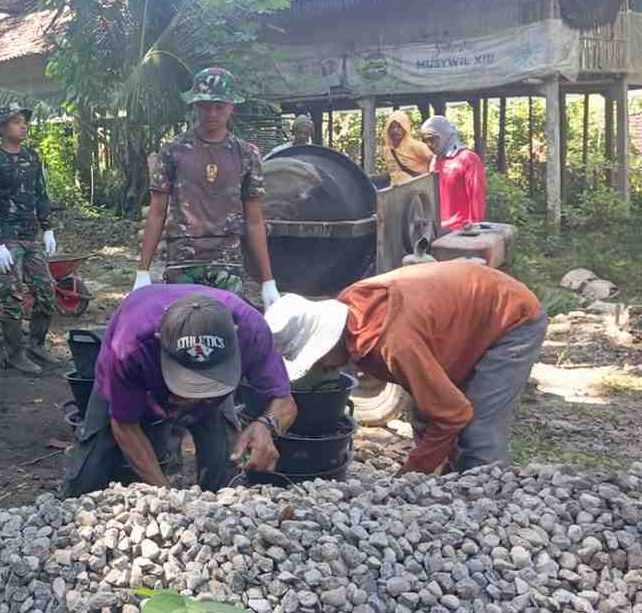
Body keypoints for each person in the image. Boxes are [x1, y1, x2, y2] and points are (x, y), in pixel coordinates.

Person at [264, 260, 546, 476]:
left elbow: (454, 415)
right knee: (426, 413)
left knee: (479, 431)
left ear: (326, 345)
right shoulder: (354, 304)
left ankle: (493, 506)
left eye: (316, 361)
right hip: (472, 314)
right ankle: (454, 483)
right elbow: (435, 408)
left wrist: (410, 475)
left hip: (511, 318)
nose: (324, 369)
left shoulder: (394, 345)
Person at [65, 284, 295, 497]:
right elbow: (125, 427)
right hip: (136, 377)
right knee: (89, 476)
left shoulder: (251, 330)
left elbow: (285, 402)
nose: (193, 396)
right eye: (188, 383)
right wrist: (168, 499)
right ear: (159, 341)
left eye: (205, 381)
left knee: (224, 468)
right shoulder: (129, 347)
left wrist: (267, 424)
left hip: (216, 398)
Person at [136, 67, 280, 311]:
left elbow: (254, 220)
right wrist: (142, 270)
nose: (212, 113)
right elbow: (157, 213)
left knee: (226, 331)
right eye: (204, 106)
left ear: (231, 106)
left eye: (220, 106)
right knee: (180, 330)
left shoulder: (246, 154)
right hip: (182, 260)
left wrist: (268, 280)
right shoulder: (173, 151)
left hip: (227, 262)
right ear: (194, 105)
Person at [0, 104, 60, 375]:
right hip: (8, 237)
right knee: (12, 297)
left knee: (47, 291)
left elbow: (41, 194)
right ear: (1, 128)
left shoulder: (32, 157)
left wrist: (48, 227)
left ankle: (36, 344)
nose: (23, 125)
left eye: (24, 120)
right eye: (16, 121)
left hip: (30, 234)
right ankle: (14, 354)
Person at [421, 115, 487, 231]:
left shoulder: (468, 159)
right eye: (426, 141)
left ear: (445, 135)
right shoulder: (435, 161)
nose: (429, 145)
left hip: (462, 231)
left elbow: (477, 197)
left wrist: (475, 229)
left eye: (432, 139)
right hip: (437, 229)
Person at [382, 110, 433, 186]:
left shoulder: (415, 145)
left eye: (399, 126)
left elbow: (433, 159)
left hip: (417, 191)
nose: (395, 130)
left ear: (405, 127)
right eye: (392, 127)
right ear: (387, 129)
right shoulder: (387, 150)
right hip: (395, 192)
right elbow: (392, 172)